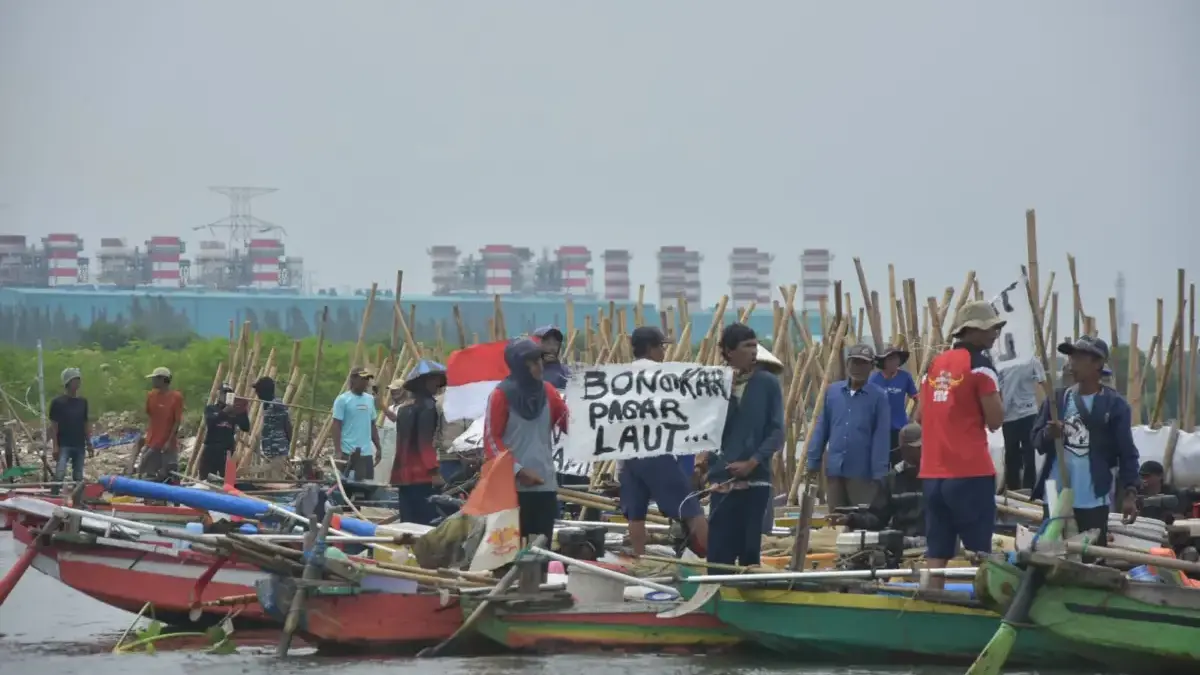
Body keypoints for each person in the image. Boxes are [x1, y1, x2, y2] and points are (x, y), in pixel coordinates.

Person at [919, 302, 1005, 588]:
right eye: (991, 328)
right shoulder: (981, 367)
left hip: (932, 473)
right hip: (970, 471)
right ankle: (984, 607)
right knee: (980, 551)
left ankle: (932, 602)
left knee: (937, 551)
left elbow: (921, 415)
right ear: (973, 331)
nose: (995, 333)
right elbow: (995, 420)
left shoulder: (933, 366)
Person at [1032, 336, 1139, 543]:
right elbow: (1036, 441)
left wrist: (1130, 493)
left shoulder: (1114, 405)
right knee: (1050, 554)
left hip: (1092, 497)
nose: (1072, 362)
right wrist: (1049, 434)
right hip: (1056, 494)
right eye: (1071, 356)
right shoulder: (1057, 400)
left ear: (1098, 363)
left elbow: (1127, 453)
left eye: (1080, 357)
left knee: (1091, 559)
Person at [618, 326, 709, 556]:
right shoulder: (664, 376)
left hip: (629, 453)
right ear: (650, 348)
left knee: (636, 514)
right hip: (656, 452)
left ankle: (639, 559)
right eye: (661, 347)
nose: (664, 352)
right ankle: (712, 557)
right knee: (691, 508)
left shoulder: (618, 378)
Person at [707, 323, 784, 567]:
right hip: (722, 479)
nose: (753, 351)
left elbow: (776, 432)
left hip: (756, 478)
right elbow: (704, 430)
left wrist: (752, 462)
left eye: (755, 345)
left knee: (750, 550)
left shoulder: (767, 383)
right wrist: (704, 467)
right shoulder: (713, 384)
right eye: (747, 346)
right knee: (719, 549)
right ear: (729, 351)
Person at [482, 339, 569, 548]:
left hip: (544, 483)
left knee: (541, 549)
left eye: (539, 360)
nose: (539, 365)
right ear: (520, 366)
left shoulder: (548, 392)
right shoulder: (501, 395)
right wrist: (518, 471)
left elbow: (569, 422)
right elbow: (491, 440)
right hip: (511, 488)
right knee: (508, 549)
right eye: (532, 362)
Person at [806, 343, 891, 509]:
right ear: (847, 364)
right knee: (835, 520)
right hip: (835, 469)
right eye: (854, 362)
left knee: (862, 520)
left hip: (863, 472)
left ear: (872, 367)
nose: (858, 368)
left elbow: (881, 438)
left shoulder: (879, 397)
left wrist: (879, 474)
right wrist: (813, 461)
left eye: (863, 363)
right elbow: (822, 429)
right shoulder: (833, 392)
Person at [828, 423, 925, 538]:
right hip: (903, 541)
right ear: (904, 450)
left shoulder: (936, 477)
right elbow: (878, 517)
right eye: (915, 448)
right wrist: (850, 519)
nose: (921, 451)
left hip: (933, 542)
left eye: (921, 447)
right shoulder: (892, 479)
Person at [391, 363, 448, 525]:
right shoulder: (429, 406)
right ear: (424, 382)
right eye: (433, 380)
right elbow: (425, 443)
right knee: (425, 523)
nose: (437, 384)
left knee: (407, 522)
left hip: (403, 474)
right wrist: (434, 471)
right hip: (422, 475)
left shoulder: (403, 408)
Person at [997, 356, 1046, 491]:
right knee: (1014, 454)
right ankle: (1015, 488)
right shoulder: (999, 364)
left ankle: (1026, 488)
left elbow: (1043, 381)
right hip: (1012, 415)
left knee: (1025, 452)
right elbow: (1043, 381)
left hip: (1025, 413)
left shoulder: (1031, 361)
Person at [869, 345, 917, 463]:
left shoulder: (905, 377)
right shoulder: (874, 379)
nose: (894, 362)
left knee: (898, 461)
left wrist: (913, 418)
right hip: (879, 428)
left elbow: (916, 397)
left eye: (896, 359)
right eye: (890, 359)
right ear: (883, 362)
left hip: (899, 428)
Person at [332, 367, 381, 481]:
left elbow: (372, 424)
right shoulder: (343, 400)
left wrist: (378, 447)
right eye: (363, 378)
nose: (365, 382)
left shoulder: (369, 399)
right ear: (353, 379)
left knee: (365, 487)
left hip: (366, 453)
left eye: (367, 379)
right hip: (347, 452)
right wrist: (338, 451)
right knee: (345, 485)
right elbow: (336, 426)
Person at [49, 368, 92, 495]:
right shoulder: (58, 402)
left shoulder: (82, 402)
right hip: (64, 444)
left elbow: (85, 423)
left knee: (78, 475)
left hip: (79, 443)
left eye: (79, 380)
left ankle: (78, 499)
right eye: (75, 380)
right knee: (60, 472)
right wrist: (55, 446)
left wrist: (89, 442)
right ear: (67, 382)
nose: (78, 383)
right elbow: (54, 426)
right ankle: (54, 495)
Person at [139, 367, 184, 482]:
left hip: (167, 445)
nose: (153, 381)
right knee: (149, 473)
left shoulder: (176, 397)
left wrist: (169, 441)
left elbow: (177, 421)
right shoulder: (151, 396)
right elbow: (151, 416)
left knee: (170, 474)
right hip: (152, 441)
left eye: (155, 379)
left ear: (163, 379)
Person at [198, 384, 250, 480]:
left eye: (229, 394)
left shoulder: (235, 412)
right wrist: (225, 411)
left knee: (229, 480)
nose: (226, 396)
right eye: (224, 393)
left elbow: (246, 427)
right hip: (211, 449)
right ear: (219, 394)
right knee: (204, 479)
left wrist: (242, 412)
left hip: (228, 450)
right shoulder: (211, 409)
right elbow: (211, 421)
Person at [254, 376, 292, 478]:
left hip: (278, 450)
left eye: (258, 391)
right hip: (268, 450)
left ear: (264, 391)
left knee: (276, 481)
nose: (256, 393)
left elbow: (288, 425)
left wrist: (286, 443)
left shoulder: (277, 405)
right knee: (267, 480)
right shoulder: (265, 405)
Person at [533, 325, 571, 391]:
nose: (553, 348)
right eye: (548, 343)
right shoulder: (528, 373)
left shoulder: (564, 370)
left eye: (556, 344)